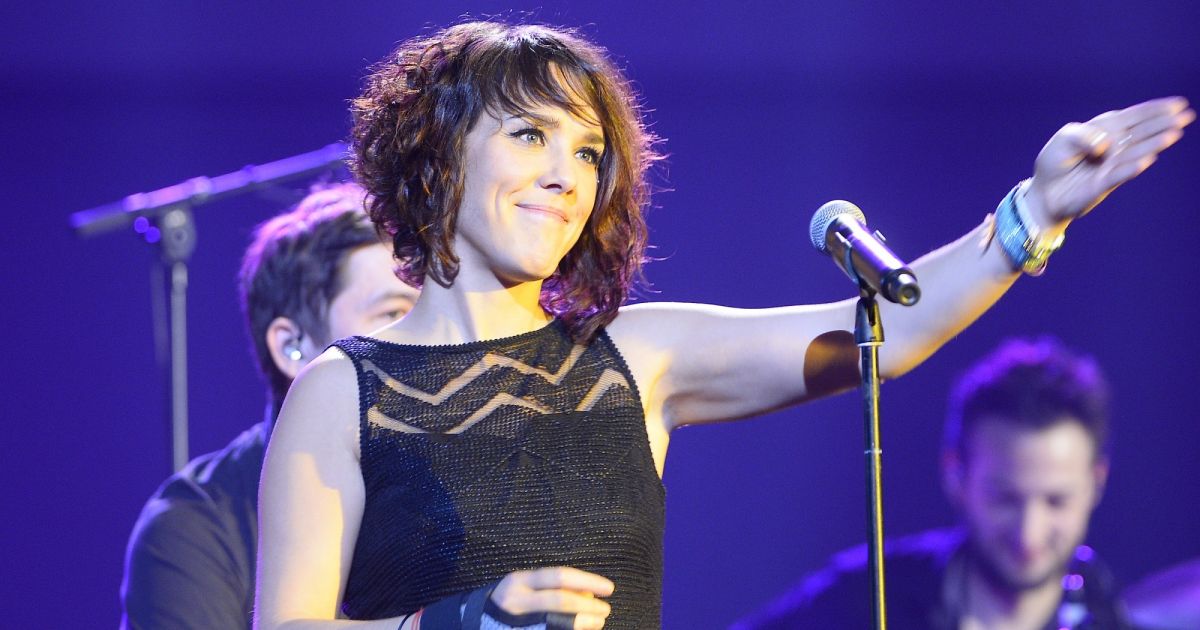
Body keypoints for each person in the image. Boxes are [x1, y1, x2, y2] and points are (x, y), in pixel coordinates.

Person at [252, 21, 1194, 630]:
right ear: (439, 155)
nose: (567, 175)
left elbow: (884, 335)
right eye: (530, 135)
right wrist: (456, 623)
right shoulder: (342, 392)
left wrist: (1034, 214)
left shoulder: (637, 356)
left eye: (589, 151)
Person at [120, 183, 420, 630]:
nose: (427, 339)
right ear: (292, 346)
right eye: (392, 314)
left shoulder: (453, 474)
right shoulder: (195, 525)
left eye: (426, 314)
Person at [735, 337, 1131, 629]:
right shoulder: (863, 599)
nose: (1029, 531)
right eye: (1004, 498)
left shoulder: (1115, 619)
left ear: (1097, 482)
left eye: (1057, 501)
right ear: (956, 474)